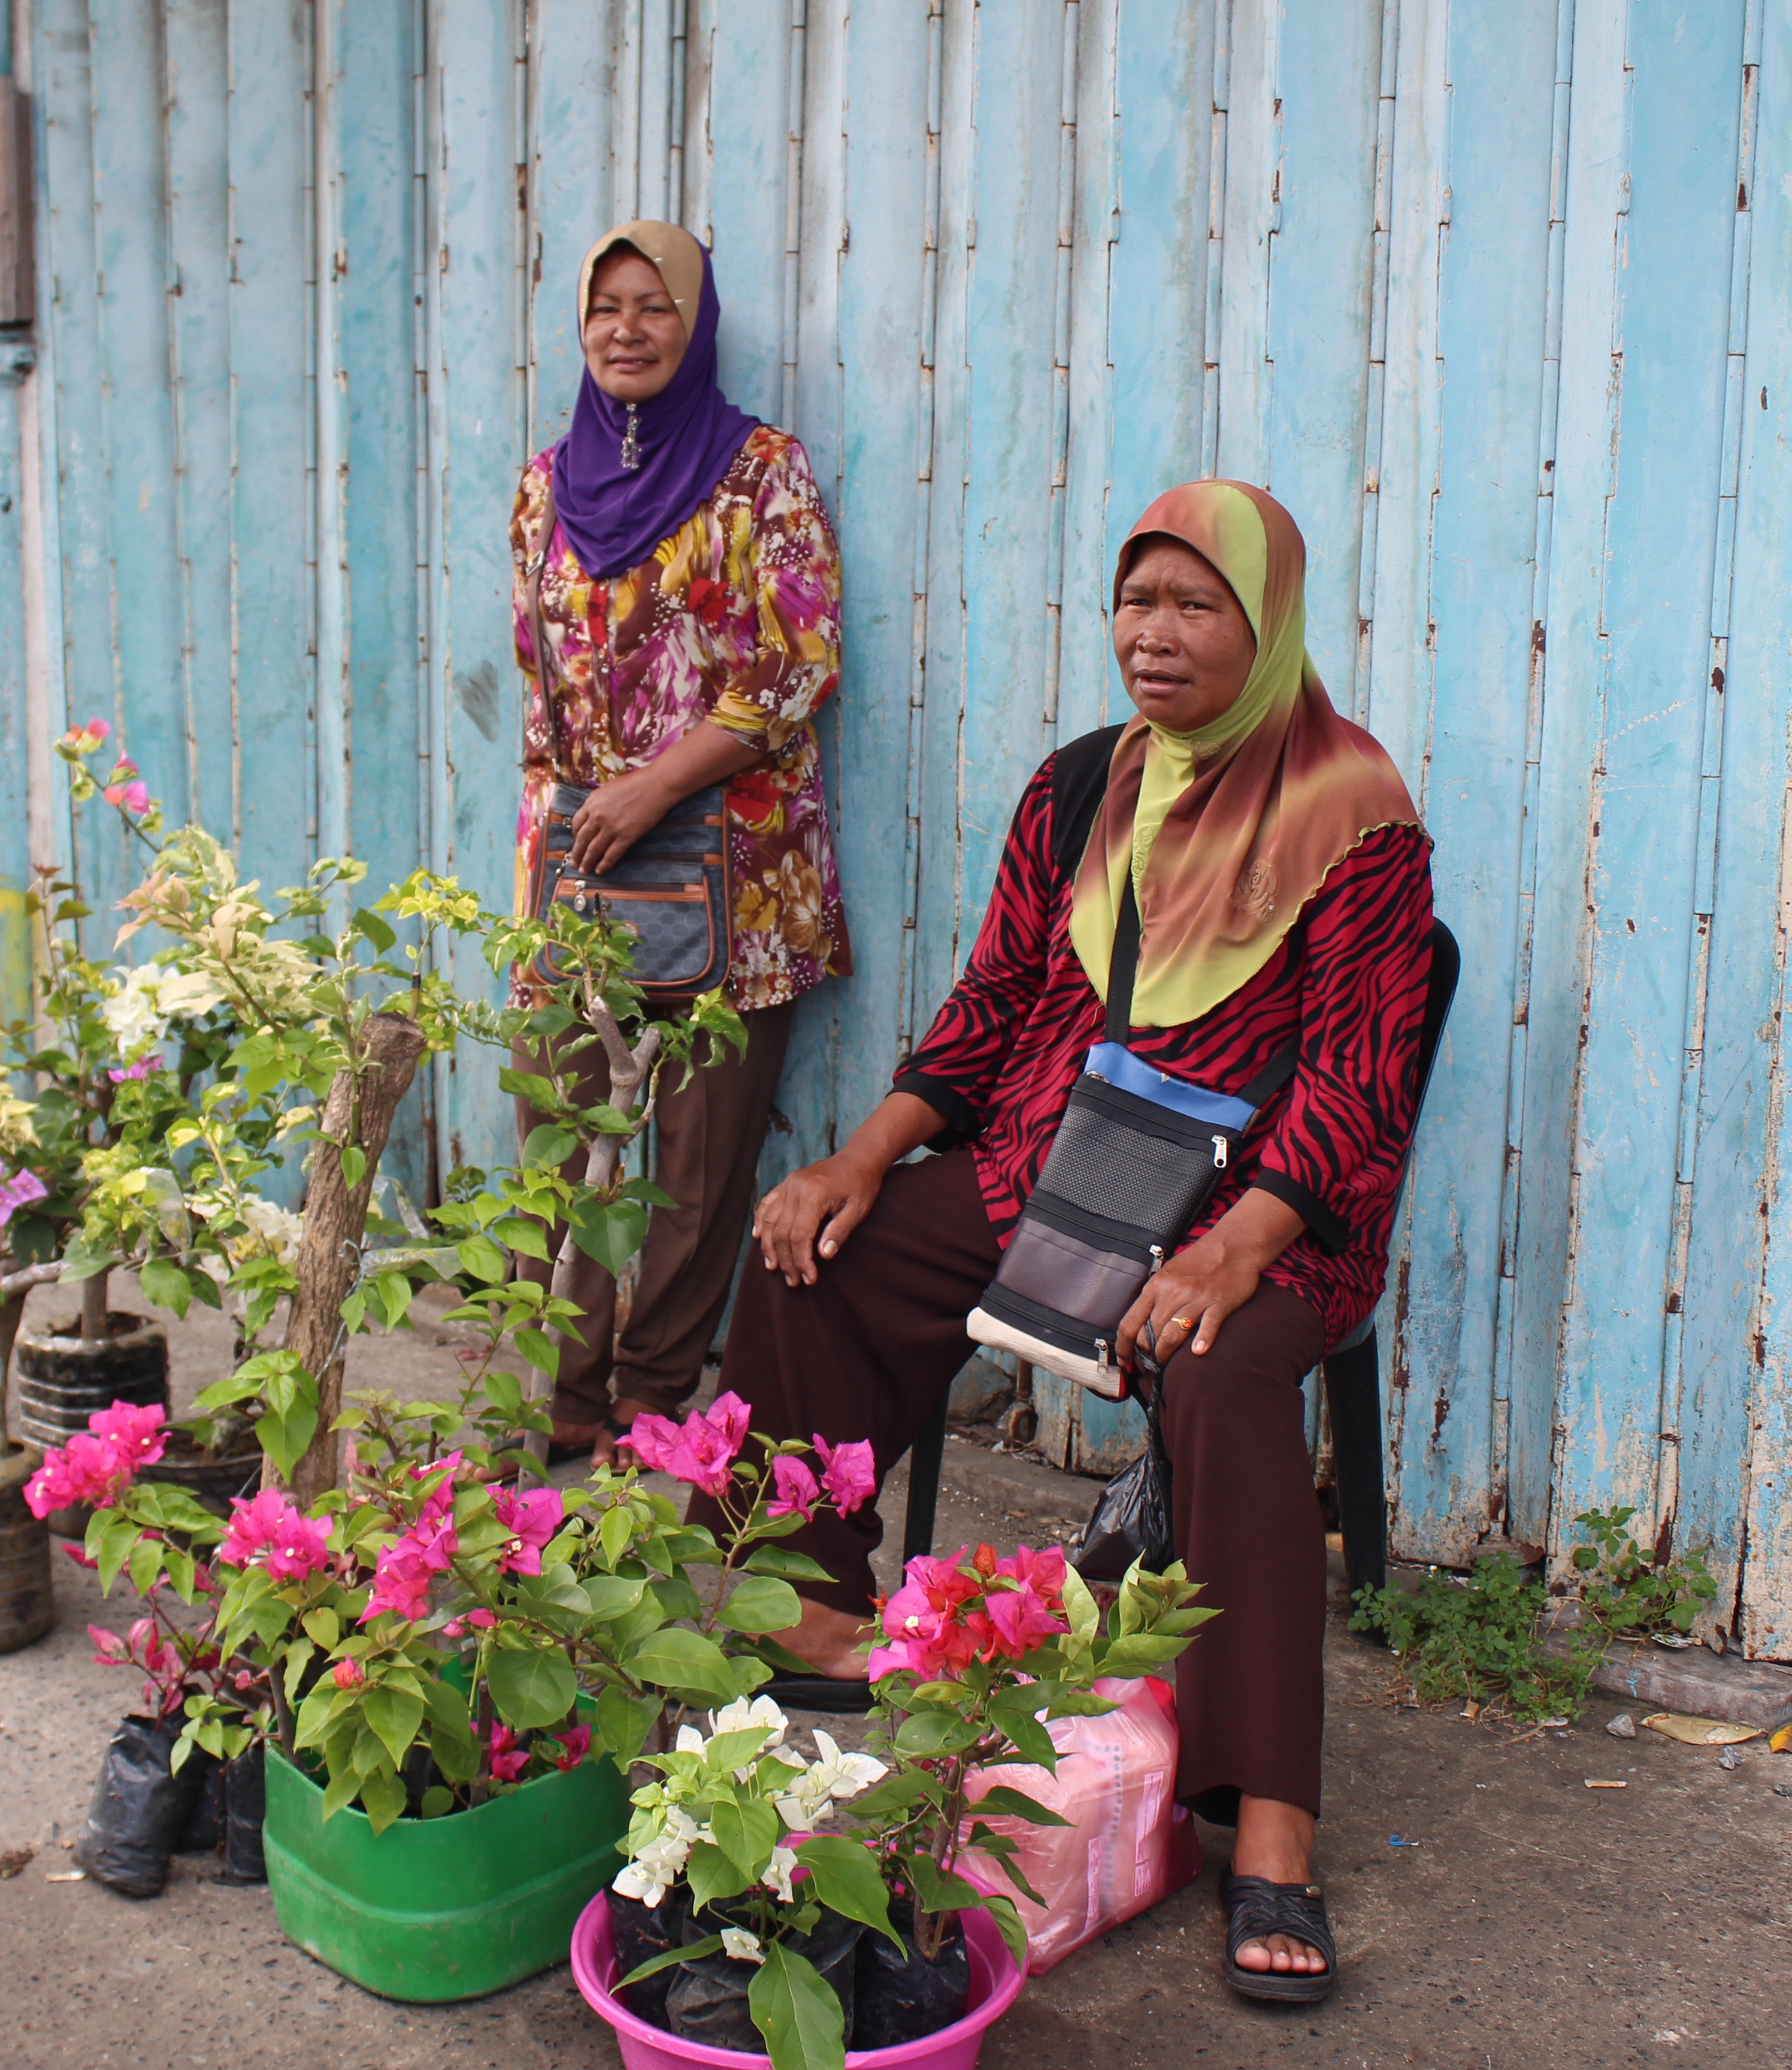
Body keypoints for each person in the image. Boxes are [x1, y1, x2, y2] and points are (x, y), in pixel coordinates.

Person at [701, 480, 1433, 2004]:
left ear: (1267, 622)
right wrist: (858, 1155)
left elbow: (1362, 1083)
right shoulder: (1081, 784)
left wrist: (1235, 1249)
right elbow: (988, 1014)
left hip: (1262, 1204)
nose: (1153, 639)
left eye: (1194, 607)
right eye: (1137, 602)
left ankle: (1273, 1825)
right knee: (808, 1250)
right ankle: (822, 1609)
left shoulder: (1354, 813)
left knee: (1229, 1379)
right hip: (1054, 1163)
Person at [511, 220, 850, 1464]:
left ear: (695, 322)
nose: (627, 330)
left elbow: (803, 662)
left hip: (736, 870)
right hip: (584, 858)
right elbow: (538, 701)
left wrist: (654, 786)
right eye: (606, 307)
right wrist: (542, 867)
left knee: (699, 1167)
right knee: (562, 1124)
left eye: (656, 306)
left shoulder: (761, 472)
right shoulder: (547, 486)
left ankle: (647, 1402)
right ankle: (555, 1388)